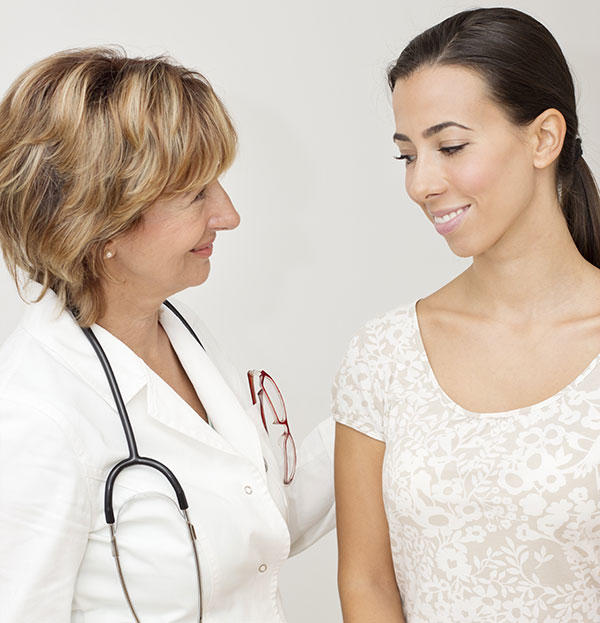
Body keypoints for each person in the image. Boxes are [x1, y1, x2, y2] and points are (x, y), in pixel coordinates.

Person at [0, 48, 334, 623]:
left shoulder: (181, 334)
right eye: (196, 194)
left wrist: (380, 396)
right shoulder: (34, 414)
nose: (228, 215)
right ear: (99, 217)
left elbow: (255, 527)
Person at [333, 7, 600, 622]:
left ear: (543, 138)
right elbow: (367, 584)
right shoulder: (384, 355)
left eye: (450, 146)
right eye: (407, 155)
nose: (422, 183)